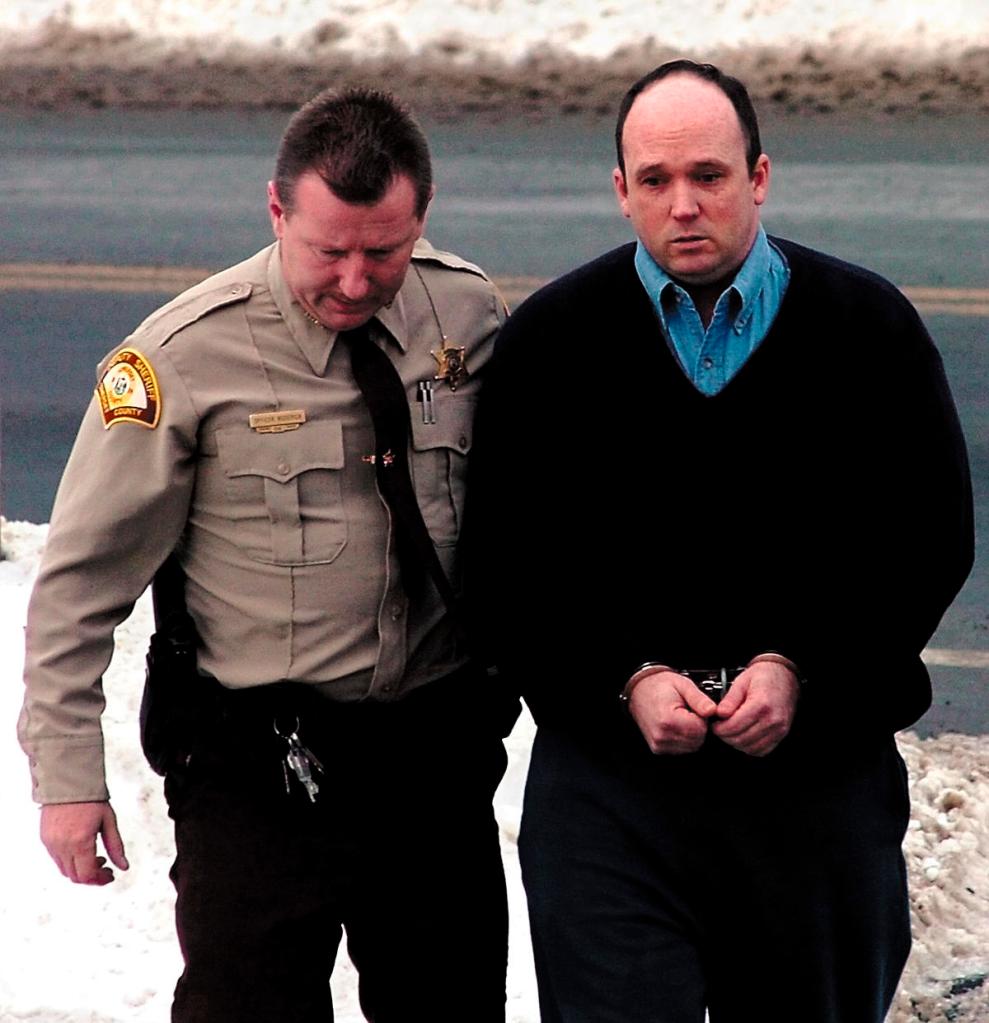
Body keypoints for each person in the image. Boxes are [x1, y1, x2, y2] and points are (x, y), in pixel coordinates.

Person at [465, 60, 974, 1023]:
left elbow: (926, 542)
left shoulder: (867, 329)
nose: (683, 204)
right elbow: (505, 568)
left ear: (760, 177)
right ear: (620, 192)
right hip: (612, 798)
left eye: (709, 175)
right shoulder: (552, 343)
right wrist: (622, 679)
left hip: (816, 794)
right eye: (654, 181)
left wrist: (800, 667)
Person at [19, 86, 516, 1022]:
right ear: (276, 210)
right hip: (259, 769)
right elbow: (81, 585)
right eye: (329, 251)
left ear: (423, 216)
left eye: (385, 250)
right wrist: (69, 780)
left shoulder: (467, 316)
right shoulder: (179, 358)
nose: (358, 280)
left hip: (429, 764)